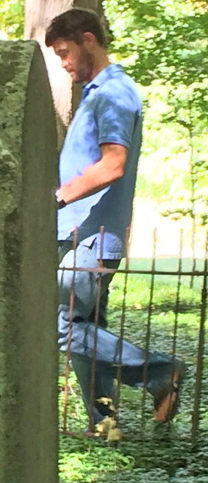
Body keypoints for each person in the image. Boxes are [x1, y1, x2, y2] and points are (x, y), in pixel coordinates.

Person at [46, 8, 185, 426]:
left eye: (66, 52)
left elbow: (113, 163)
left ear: (89, 40)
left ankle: (160, 372)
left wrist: (57, 197)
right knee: (83, 328)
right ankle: (103, 421)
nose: (64, 63)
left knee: (62, 327)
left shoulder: (113, 93)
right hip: (81, 231)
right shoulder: (96, 93)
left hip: (91, 234)